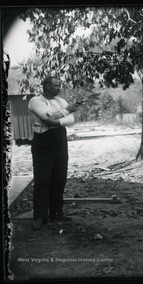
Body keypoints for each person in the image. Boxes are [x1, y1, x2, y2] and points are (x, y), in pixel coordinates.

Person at [28, 76, 80, 230]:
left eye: (60, 85)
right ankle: (40, 217)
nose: (59, 88)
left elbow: (70, 120)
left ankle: (57, 213)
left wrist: (57, 119)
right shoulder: (35, 101)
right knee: (43, 181)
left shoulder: (61, 101)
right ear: (47, 86)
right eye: (56, 86)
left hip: (60, 140)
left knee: (59, 178)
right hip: (43, 142)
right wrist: (65, 113)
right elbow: (47, 120)